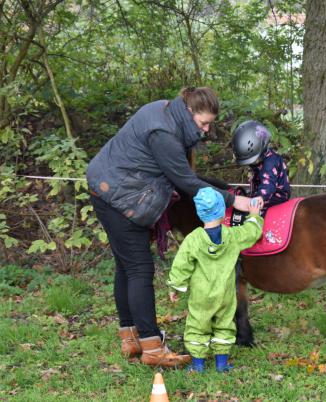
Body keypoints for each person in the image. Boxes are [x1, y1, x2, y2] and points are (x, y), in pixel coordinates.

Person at [86, 87, 252, 368]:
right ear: (189, 112)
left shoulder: (165, 111)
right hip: (118, 196)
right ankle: (152, 347)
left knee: (126, 266)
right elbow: (186, 181)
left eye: (209, 124)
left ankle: (130, 336)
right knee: (139, 269)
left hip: (108, 186)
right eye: (203, 123)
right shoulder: (164, 134)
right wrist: (235, 200)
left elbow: (183, 175)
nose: (206, 130)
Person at [167, 187, 263, 372]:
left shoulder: (193, 240)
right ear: (222, 210)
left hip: (201, 296)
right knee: (225, 325)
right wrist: (254, 214)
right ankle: (222, 364)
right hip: (226, 295)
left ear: (199, 212)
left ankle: (198, 365)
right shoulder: (232, 236)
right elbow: (252, 232)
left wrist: (176, 287)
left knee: (197, 326)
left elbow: (181, 265)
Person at [231, 120, 291, 215]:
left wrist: (259, 198)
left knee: (254, 213)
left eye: (253, 160)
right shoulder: (261, 158)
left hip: (275, 195)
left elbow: (268, 185)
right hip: (262, 189)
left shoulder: (270, 163)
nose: (251, 164)